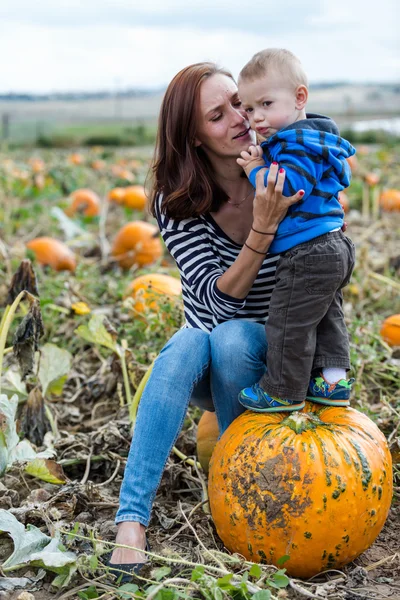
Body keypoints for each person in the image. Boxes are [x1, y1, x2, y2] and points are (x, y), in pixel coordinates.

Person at [107, 62, 304, 582]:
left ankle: (243, 488)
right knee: (194, 342)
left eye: (238, 102)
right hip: (212, 356)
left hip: (283, 359)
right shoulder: (178, 205)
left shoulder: (287, 169)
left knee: (236, 337)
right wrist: (262, 229)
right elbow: (219, 301)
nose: (239, 118)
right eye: (217, 116)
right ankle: (131, 522)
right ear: (194, 139)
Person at [236, 48, 356, 413]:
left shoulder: (295, 145)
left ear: (299, 97)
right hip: (332, 244)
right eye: (249, 108)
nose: (256, 118)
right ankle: (333, 380)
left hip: (308, 252)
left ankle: (282, 389)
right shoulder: (314, 139)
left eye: (266, 104)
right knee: (325, 316)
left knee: (287, 322)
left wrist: (256, 168)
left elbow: (285, 191)